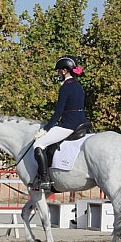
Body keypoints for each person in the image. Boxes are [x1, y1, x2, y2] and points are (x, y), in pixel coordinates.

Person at [33, 55, 91, 190]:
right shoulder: (79, 86)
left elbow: (59, 111)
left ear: (65, 71)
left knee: (38, 145)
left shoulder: (66, 87)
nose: (59, 73)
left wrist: (46, 129)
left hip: (69, 125)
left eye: (59, 71)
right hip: (82, 122)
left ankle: (45, 179)